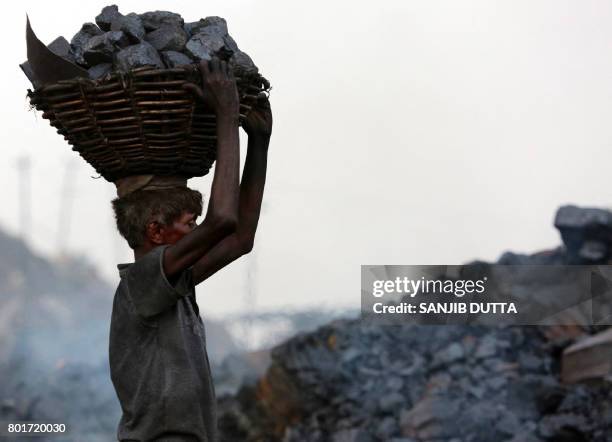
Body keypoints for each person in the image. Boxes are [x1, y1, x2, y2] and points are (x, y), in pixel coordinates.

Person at [108, 57, 272, 442]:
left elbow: (240, 237)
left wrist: (259, 142)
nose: (197, 231)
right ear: (156, 231)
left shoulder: (175, 288)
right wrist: (226, 116)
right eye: (188, 223)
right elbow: (223, 221)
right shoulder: (142, 283)